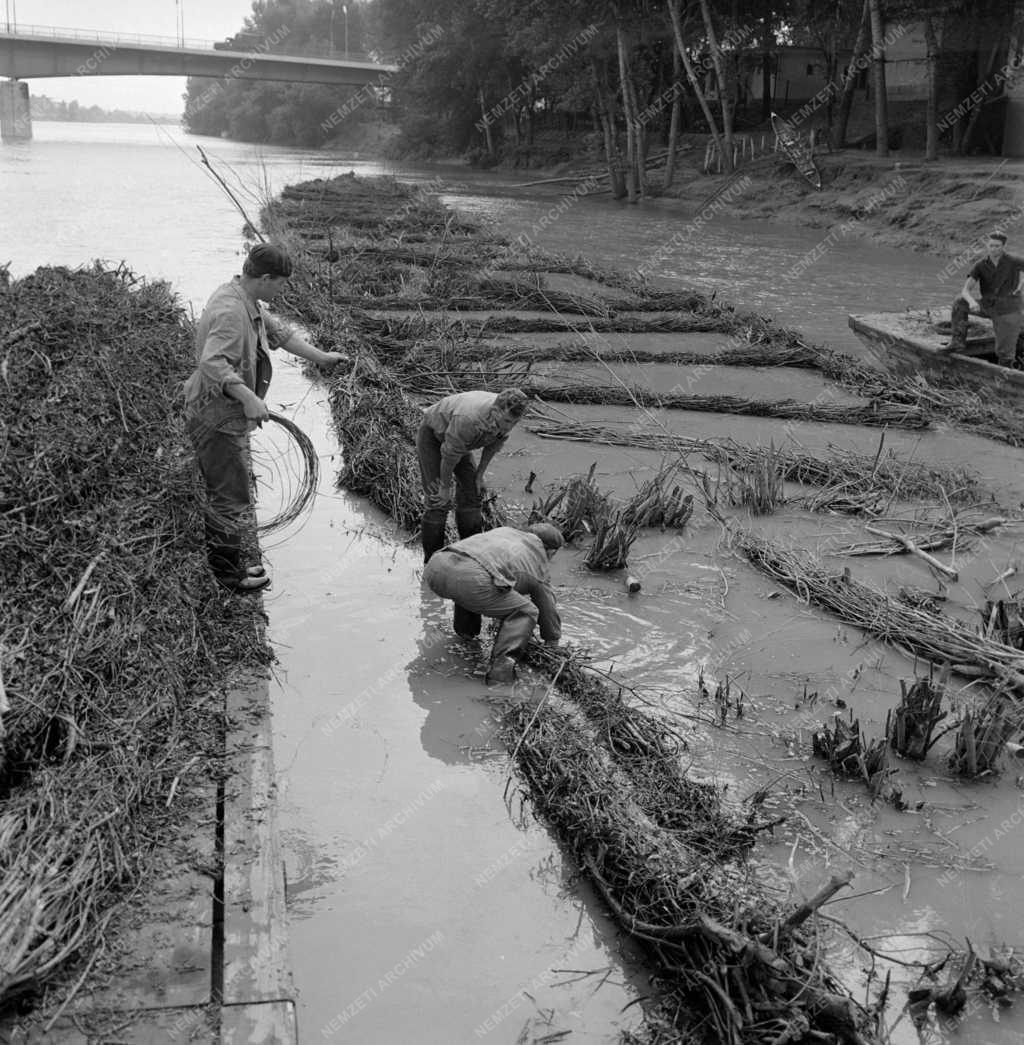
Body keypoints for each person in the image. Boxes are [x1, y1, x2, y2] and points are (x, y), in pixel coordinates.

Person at [183, 243, 348, 594]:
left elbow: (280, 335)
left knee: (233, 488)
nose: (281, 291)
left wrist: (322, 357)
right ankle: (227, 574)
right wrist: (248, 397)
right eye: (280, 284)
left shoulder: (246, 298)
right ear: (266, 277)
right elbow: (211, 363)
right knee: (230, 494)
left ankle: (229, 562)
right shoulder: (230, 310)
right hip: (216, 416)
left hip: (226, 414)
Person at [422, 523, 564, 684]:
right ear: (552, 551)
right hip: (469, 579)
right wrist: (553, 642)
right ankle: (500, 676)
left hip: (437, 565)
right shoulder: (538, 559)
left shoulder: (506, 531)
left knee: (478, 582)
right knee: (526, 611)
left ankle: (466, 636)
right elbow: (547, 608)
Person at [416, 388, 529, 563]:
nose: (508, 427)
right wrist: (445, 487)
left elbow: (493, 445)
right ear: (495, 411)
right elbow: (449, 454)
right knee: (437, 500)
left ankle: (470, 556)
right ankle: (432, 563)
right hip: (434, 436)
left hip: (461, 441)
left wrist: (479, 475)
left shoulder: (507, 416)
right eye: (506, 421)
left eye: (513, 423)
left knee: (472, 494)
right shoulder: (468, 419)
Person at [949, 232, 1024, 365]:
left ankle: (1005, 377)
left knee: (1004, 353)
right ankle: (957, 342)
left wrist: (1021, 284)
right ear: (986, 246)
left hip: (1009, 310)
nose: (993, 249)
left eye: (997, 246)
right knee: (959, 302)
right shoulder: (981, 265)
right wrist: (972, 302)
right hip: (988, 306)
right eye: (991, 245)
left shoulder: (1013, 261)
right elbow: (965, 290)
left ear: (1003, 246)